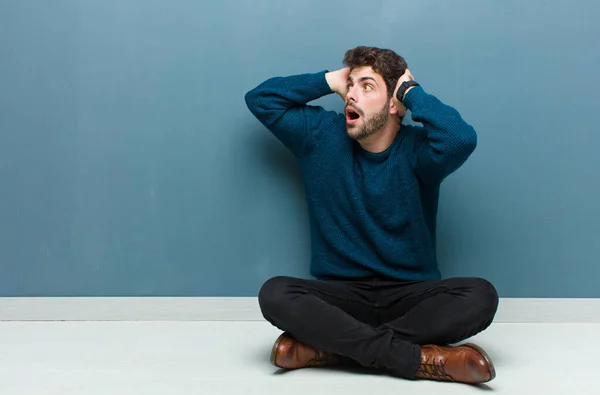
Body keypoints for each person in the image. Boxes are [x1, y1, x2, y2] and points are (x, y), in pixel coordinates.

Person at [244, 46, 499, 384]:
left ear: (394, 105)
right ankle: (415, 359)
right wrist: (330, 80)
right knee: (276, 293)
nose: (351, 95)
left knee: (480, 295)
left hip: (410, 297)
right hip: (341, 296)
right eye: (350, 86)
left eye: (367, 87)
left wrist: (412, 92)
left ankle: (331, 349)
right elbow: (261, 99)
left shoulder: (422, 151)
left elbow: (460, 139)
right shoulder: (319, 136)